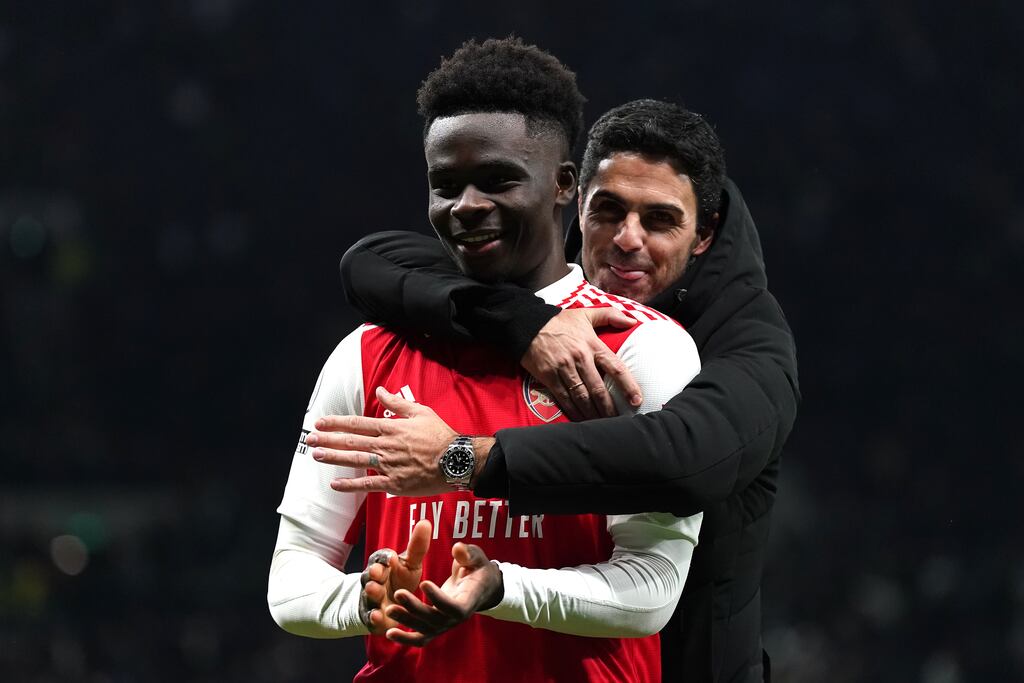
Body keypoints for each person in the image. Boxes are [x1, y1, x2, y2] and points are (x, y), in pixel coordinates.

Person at [313, 99, 800, 681]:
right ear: (573, 201)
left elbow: (684, 462)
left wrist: (466, 458)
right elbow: (369, 264)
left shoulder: (749, 338)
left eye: (661, 220)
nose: (627, 240)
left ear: (705, 232)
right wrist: (527, 323)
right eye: (608, 211)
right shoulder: (549, 299)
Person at [268, 37, 706, 683]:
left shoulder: (642, 346)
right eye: (445, 185)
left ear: (564, 186)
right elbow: (292, 580)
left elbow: (649, 590)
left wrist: (499, 586)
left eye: (498, 179)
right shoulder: (366, 354)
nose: (466, 205)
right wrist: (365, 599)